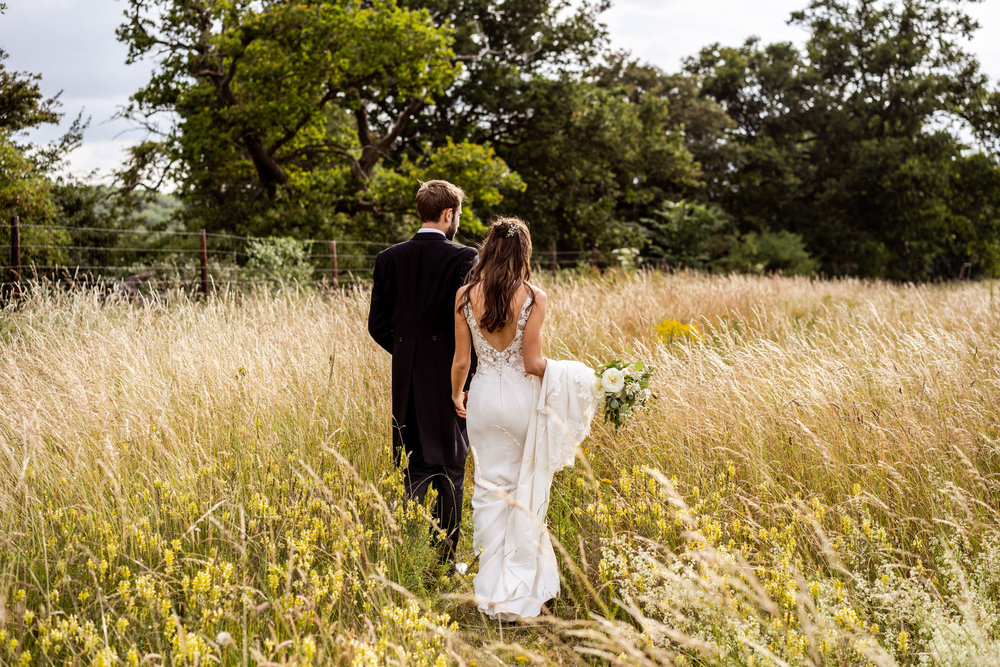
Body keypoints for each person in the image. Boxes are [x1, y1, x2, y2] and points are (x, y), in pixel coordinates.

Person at [451, 217, 598, 620]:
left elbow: (462, 361)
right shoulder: (534, 296)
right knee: (524, 493)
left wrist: (454, 393)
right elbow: (533, 363)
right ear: (524, 253)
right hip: (519, 401)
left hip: (480, 399)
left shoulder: (465, 295)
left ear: (488, 248)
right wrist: (581, 375)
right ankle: (522, 588)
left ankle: (492, 588)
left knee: (487, 491)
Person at [368, 180, 478, 566]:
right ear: (448, 214)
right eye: (457, 215)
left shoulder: (388, 258)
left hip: (406, 383)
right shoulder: (465, 258)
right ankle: (443, 563)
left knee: (412, 466)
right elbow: (473, 325)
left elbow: (377, 326)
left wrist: (406, 354)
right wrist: (466, 378)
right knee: (450, 467)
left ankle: (408, 556)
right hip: (452, 379)